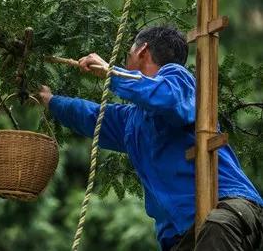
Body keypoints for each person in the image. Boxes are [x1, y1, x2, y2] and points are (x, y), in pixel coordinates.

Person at [38, 26, 263, 250]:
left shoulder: (179, 80)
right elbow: (91, 115)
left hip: (227, 209)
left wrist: (112, 73)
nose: (126, 60)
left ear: (143, 51)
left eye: (128, 54)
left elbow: (166, 98)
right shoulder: (132, 120)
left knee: (215, 226)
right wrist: (51, 100)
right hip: (182, 236)